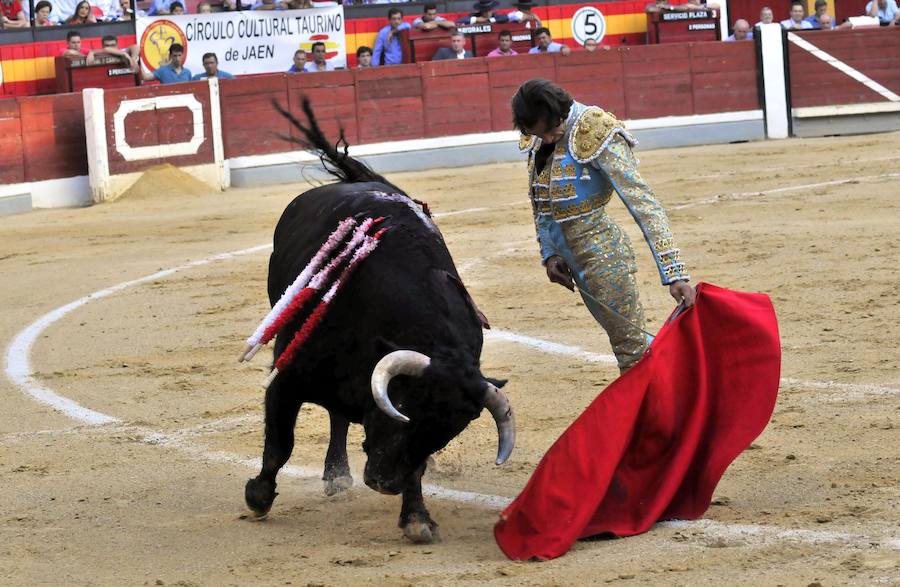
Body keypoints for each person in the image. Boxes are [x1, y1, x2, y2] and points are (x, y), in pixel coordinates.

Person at [512, 79, 695, 372]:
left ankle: (683, 390)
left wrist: (675, 273)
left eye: (549, 131)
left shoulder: (597, 129)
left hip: (604, 258)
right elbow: (542, 204)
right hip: (573, 261)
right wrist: (550, 253)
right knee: (628, 345)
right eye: (538, 134)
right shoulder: (539, 137)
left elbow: (644, 204)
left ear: (559, 113)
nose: (545, 139)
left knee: (631, 351)